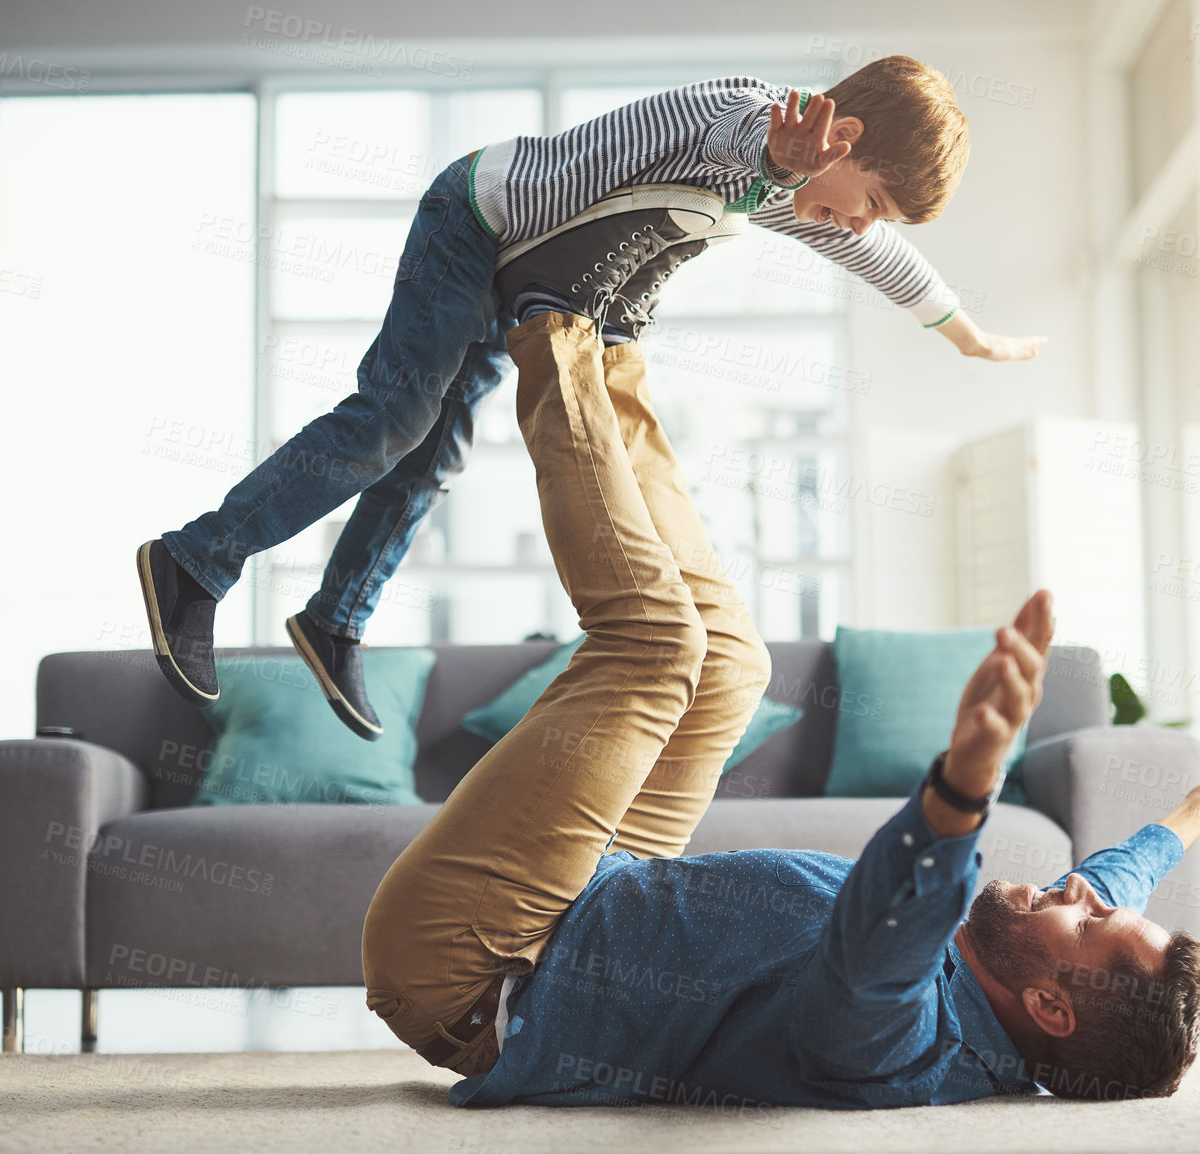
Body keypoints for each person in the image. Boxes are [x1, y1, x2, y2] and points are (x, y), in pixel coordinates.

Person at [358, 244, 1200, 1106]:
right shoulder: (1033, 961)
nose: (1077, 892)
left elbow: (875, 948)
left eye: (1090, 924)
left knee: (652, 648)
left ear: (1051, 1009)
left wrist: (965, 785)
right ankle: (611, 345)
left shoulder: (896, 1043)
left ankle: (546, 321)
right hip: (600, 890)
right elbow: (1112, 882)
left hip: (484, 968)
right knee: (732, 665)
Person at [136, 55, 1047, 740]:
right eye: (870, 198)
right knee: (393, 420)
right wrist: (776, 159)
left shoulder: (791, 190)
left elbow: (871, 254)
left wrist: (968, 334)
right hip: (475, 221)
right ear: (840, 139)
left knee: (432, 463)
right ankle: (195, 562)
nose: (859, 225)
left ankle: (334, 618)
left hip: (522, 286)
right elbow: (741, 150)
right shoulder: (739, 119)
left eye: (878, 217)